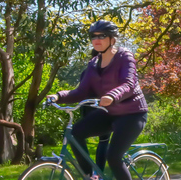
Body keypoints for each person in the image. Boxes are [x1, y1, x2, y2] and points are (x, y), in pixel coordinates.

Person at [47, 21, 148, 180]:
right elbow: (81, 91)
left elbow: (128, 84)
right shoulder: (93, 64)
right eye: (93, 36)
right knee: (75, 133)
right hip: (108, 113)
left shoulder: (124, 56)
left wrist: (112, 96)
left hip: (132, 114)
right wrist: (58, 96)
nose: (97, 40)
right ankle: (89, 175)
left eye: (102, 36)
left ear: (112, 39)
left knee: (113, 157)